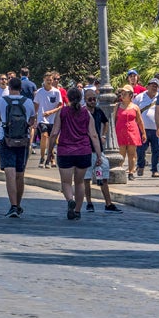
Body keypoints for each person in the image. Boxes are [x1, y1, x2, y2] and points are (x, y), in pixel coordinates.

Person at [0, 75, 36, 218]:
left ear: (10, 88)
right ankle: (18, 204)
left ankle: (12, 206)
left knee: (9, 174)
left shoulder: (2, 101)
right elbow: (32, 120)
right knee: (20, 175)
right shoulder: (28, 102)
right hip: (23, 140)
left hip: (6, 140)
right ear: (21, 89)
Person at [55, 86, 98, 221]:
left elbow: (54, 132)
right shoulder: (86, 113)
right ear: (81, 98)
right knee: (79, 183)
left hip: (65, 151)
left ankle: (69, 200)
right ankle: (78, 211)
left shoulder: (62, 112)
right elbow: (94, 135)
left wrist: (49, 150)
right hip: (83, 151)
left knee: (66, 182)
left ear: (67, 98)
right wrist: (99, 153)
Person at [80, 90, 121, 212]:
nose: (93, 101)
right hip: (86, 149)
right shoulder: (82, 112)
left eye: (94, 99)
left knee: (103, 176)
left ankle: (108, 204)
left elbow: (106, 122)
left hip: (98, 149)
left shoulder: (98, 111)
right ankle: (89, 203)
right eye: (90, 99)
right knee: (86, 179)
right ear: (85, 100)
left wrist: (103, 135)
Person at [114, 87, 146, 178]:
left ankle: (131, 172)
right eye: (122, 93)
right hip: (120, 132)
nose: (123, 95)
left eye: (125, 94)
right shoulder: (117, 106)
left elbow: (140, 121)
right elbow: (113, 119)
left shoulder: (135, 107)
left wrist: (143, 133)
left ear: (130, 95)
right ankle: (119, 171)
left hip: (132, 132)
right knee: (121, 153)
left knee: (132, 153)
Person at [33, 72, 63, 168]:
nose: (49, 82)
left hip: (53, 119)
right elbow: (36, 106)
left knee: (52, 140)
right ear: (44, 80)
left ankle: (51, 158)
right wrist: (34, 118)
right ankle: (42, 157)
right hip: (42, 119)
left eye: (51, 80)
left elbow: (60, 105)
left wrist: (51, 112)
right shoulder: (39, 92)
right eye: (47, 80)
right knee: (44, 135)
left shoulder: (56, 92)